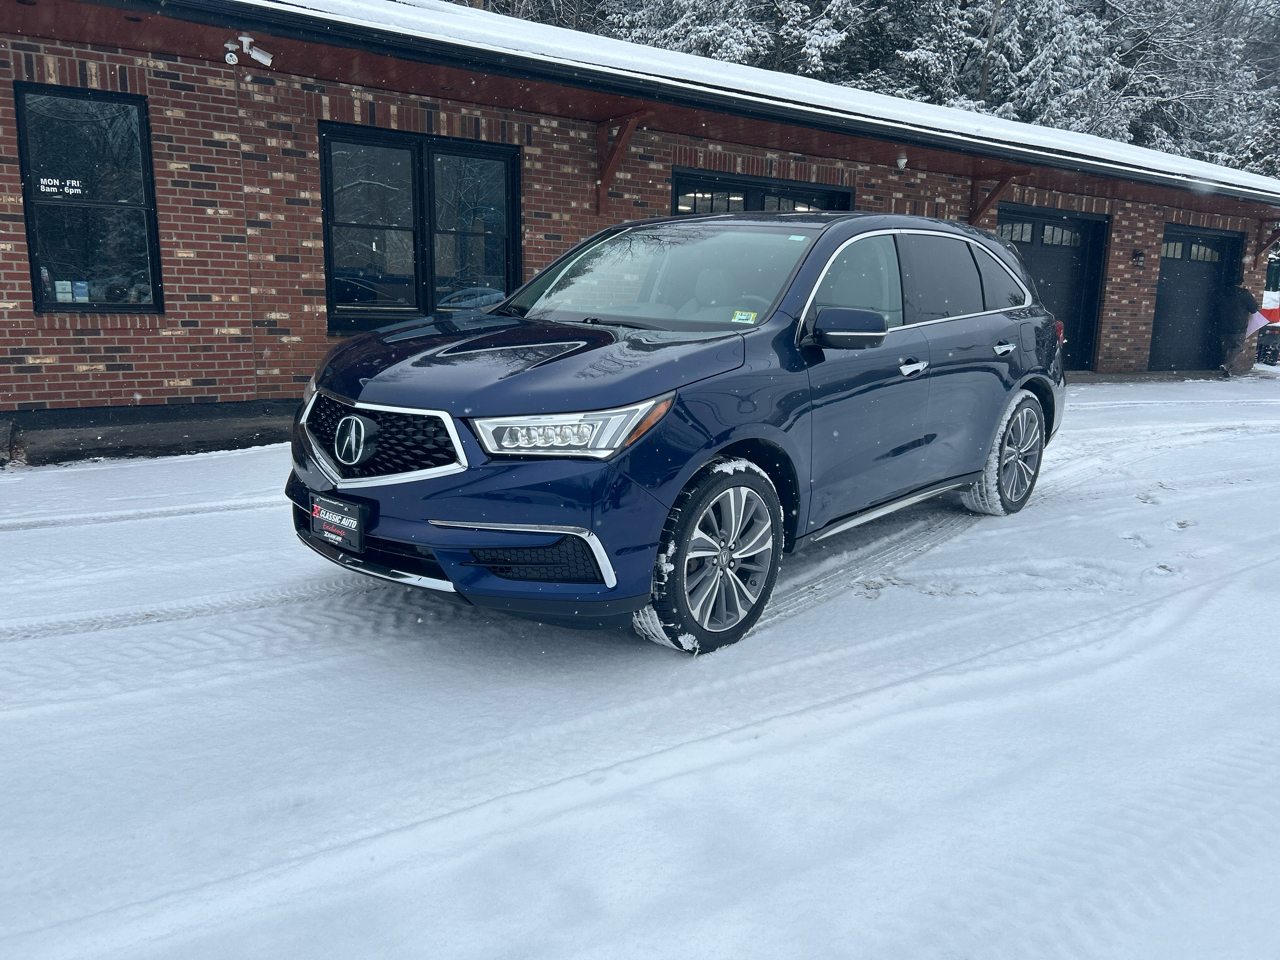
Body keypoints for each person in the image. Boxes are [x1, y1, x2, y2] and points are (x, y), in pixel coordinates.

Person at [1217, 275, 1259, 378]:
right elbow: (1254, 308)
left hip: (1223, 325)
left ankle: (1226, 369)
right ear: (1241, 284)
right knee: (1236, 346)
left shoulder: (1223, 293)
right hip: (1238, 326)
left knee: (1226, 347)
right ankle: (1227, 365)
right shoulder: (1244, 294)